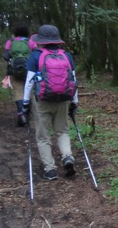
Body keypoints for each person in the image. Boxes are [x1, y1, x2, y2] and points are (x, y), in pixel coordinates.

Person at [22, 25, 78, 180]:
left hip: (42, 100)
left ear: (41, 41)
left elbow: (29, 83)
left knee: (43, 135)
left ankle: (50, 169)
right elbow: (73, 80)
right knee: (62, 131)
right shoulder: (66, 55)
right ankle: (67, 157)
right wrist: (74, 101)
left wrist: (25, 103)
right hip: (63, 99)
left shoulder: (35, 56)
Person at [2, 23, 32, 126]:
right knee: (28, 89)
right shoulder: (30, 42)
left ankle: (21, 114)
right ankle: (28, 112)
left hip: (14, 71)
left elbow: (6, 56)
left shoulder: (10, 42)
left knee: (18, 92)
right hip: (29, 70)